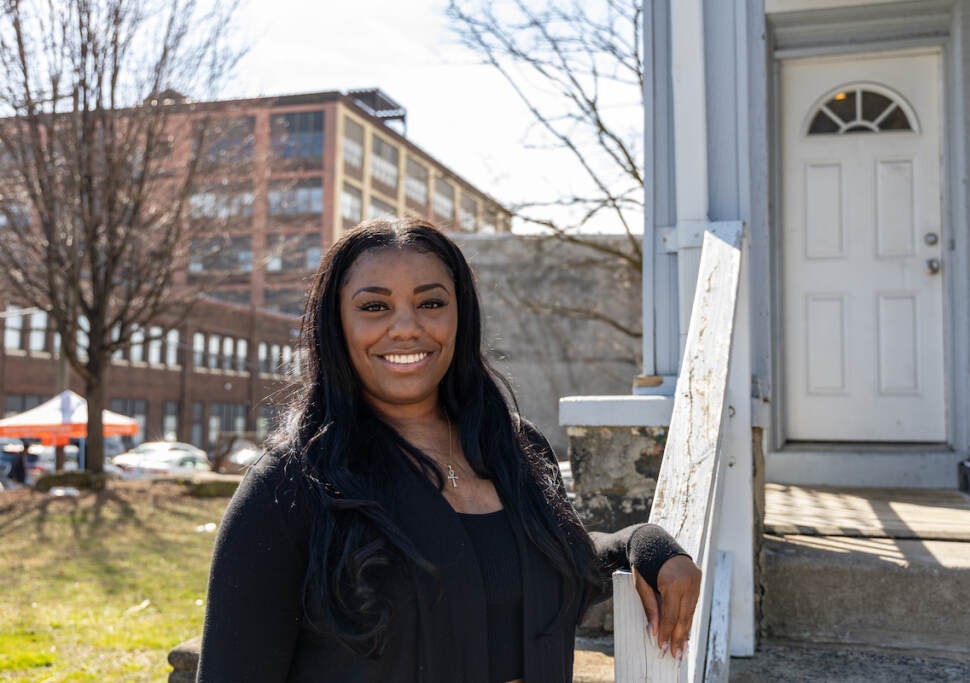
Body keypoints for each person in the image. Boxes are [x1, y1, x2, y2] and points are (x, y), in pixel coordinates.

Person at [197, 218, 701, 682]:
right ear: (337, 326)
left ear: (461, 316)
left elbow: (540, 566)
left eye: (430, 302)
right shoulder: (289, 487)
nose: (406, 327)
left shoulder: (515, 449)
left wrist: (644, 543)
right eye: (374, 306)